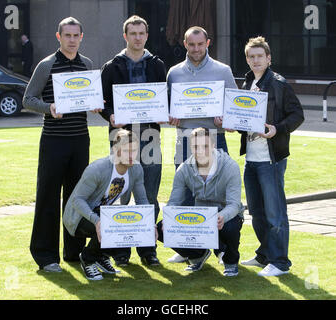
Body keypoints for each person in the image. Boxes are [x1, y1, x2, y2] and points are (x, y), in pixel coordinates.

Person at [23, 17, 102, 272]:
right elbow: (28, 99)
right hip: (54, 140)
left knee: (77, 196)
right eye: (66, 35)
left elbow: (93, 99)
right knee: (48, 196)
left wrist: (95, 104)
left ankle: (74, 251)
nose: (71, 40)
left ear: (81, 37)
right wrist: (49, 108)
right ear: (59, 37)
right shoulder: (47, 65)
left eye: (75, 35)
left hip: (80, 139)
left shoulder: (87, 65)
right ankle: (46, 257)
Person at [166, 26, 238, 263]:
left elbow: (235, 108)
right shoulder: (173, 73)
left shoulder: (223, 70)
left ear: (208, 42)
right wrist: (170, 116)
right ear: (185, 44)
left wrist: (226, 118)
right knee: (186, 194)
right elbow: (167, 109)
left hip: (215, 139)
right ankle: (193, 249)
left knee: (217, 195)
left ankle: (223, 249)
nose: (196, 49)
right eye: (191, 44)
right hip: (184, 140)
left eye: (200, 44)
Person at [100, 15, 166, 267]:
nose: (137, 37)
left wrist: (164, 113)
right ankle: (120, 250)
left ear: (146, 36)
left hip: (150, 137)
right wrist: (110, 115)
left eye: (141, 33)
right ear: (125, 36)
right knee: (120, 194)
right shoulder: (112, 66)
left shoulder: (157, 64)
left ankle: (147, 250)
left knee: (148, 194)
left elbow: (165, 98)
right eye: (133, 33)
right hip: (121, 139)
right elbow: (102, 102)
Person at [238, 36, 304, 276]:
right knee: (256, 211)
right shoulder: (246, 84)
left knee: (275, 213)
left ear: (268, 58)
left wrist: (278, 129)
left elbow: (297, 114)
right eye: (251, 56)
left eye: (260, 56)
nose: (255, 60)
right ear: (247, 59)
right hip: (251, 161)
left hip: (271, 160)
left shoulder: (278, 83)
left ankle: (280, 263)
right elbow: (244, 121)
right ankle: (265, 255)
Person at [63, 130, 151, 280]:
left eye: (134, 150)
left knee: (123, 224)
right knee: (111, 226)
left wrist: (150, 224)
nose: (131, 156)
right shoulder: (97, 169)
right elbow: (77, 200)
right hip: (77, 216)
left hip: (102, 213)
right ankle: (88, 259)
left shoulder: (136, 169)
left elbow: (142, 201)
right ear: (116, 150)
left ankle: (100, 256)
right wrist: (97, 221)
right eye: (126, 151)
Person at [157, 127, 244, 276]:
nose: (200, 151)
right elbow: (174, 202)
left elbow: (234, 204)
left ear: (213, 146)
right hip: (200, 217)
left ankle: (230, 262)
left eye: (205, 146)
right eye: (195, 147)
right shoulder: (184, 169)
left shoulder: (230, 167)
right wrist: (167, 219)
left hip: (224, 215)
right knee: (161, 228)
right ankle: (198, 255)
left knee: (230, 226)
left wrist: (222, 216)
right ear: (191, 147)